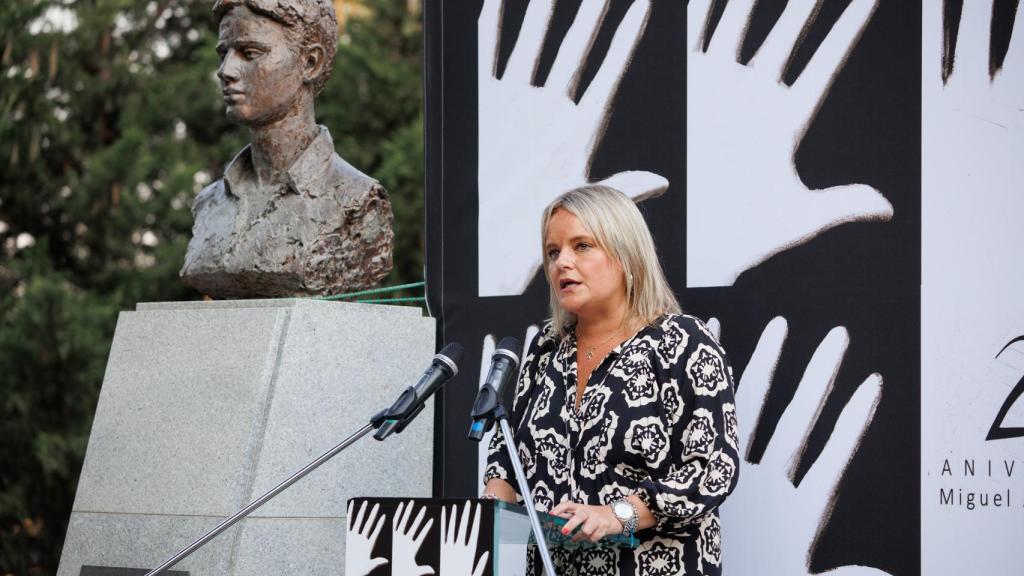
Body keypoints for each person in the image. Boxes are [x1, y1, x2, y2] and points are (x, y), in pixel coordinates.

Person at [483, 185, 740, 575]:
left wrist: (616, 515)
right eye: (553, 252)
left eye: (581, 246)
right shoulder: (545, 351)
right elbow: (508, 455)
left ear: (626, 254)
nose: (561, 263)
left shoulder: (682, 343)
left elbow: (712, 469)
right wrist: (491, 507)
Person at [180, 0, 393, 298]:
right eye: (223, 53)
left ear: (310, 63)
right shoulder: (208, 204)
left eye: (249, 53)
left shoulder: (356, 203)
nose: (225, 70)